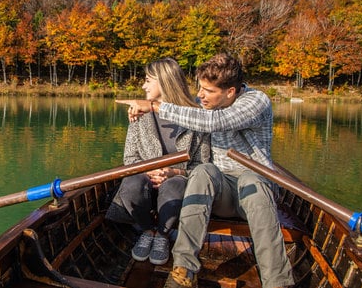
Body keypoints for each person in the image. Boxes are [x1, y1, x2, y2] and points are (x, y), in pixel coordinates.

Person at [117, 53, 294, 288]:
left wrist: (153, 105)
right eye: (200, 88)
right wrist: (145, 110)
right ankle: (183, 270)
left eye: (207, 91)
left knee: (253, 178)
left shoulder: (256, 102)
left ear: (230, 92)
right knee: (204, 171)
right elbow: (190, 110)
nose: (200, 95)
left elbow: (214, 122)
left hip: (253, 193)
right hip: (221, 190)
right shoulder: (208, 103)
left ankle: (277, 282)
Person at [105, 57, 211, 266]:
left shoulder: (197, 117)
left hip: (177, 181)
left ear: (164, 81)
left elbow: (202, 165)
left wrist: (174, 172)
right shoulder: (139, 113)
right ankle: (147, 230)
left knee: (174, 187)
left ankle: (162, 235)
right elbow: (130, 158)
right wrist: (150, 170)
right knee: (131, 184)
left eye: (147, 80)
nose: (143, 85)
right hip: (145, 177)